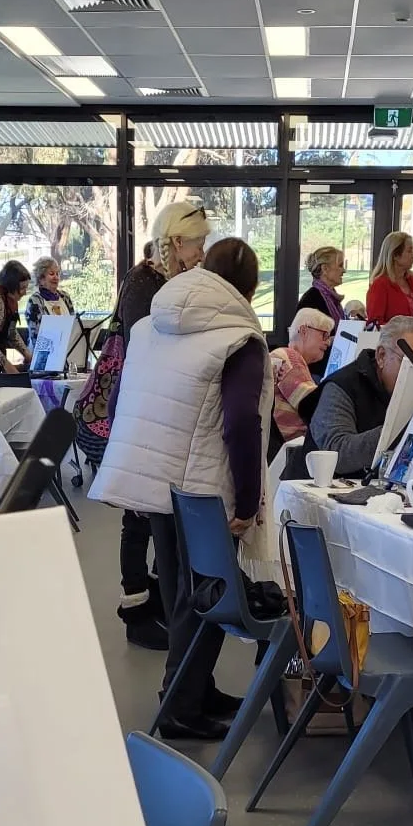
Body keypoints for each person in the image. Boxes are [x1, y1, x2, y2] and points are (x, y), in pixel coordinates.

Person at [92, 235, 271, 742]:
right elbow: (241, 423)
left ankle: (191, 691)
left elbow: (121, 398)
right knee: (210, 595)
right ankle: (180, 709)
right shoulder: (239, 337)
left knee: (179, 594)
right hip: (203, 487)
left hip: (155, 476)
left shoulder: (151, 324)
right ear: (250, 290)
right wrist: (248, 501)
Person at [108, 198, 210, 652]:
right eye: (197, 243)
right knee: (137, 517)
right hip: (139, 405)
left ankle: (159, 601)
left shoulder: (172, 280)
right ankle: (136, 610)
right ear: (177, 241)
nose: (202, 252)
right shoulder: (143, 282)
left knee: (156, 516)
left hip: (155, 404)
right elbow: (147, 347)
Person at [305, 314, 413, 477]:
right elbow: (337, 454)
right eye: (409, 363)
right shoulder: (341, 386)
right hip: (320, 488)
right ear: (381, 356)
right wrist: (399, 429)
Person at [271, 307, 334, 445]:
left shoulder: (287, 357)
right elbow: (316, 405)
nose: (328, 342)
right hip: (292, 449)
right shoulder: (288, 356)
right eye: (324, 335)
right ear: (304, 331)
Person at [365, 232, 413, 325]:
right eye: (409, 251)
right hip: (395, 335)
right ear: (395, 255)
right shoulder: (380, 285)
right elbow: (374, 324)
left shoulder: (411, 280)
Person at [23, 257, 74, 356]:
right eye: (51, 274)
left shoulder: (65, 297)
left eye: (57, 274)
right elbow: (36, 336)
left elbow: (73, 326)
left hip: (67, 354)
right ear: (41, 279)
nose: (56, 277)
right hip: (43, 357)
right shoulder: (35, 301)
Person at [297, 245, 347, 324]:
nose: (344, 270)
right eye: (340, 265)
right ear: (325, 269)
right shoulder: (311, 300)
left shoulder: (331, 297)